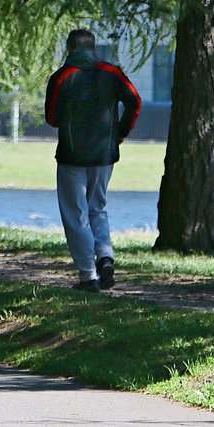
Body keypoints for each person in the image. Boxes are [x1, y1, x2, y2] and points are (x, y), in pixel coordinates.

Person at [44, 29, 141, 292]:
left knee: (75, 214)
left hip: (72, 156)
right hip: (104, 155)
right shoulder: (112, 72)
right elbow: (135, 100)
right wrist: (120, 132)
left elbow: (52, 118)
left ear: (69, 48)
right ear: (93, 47)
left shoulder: (62, 77)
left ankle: (88, 275)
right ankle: (106, 257)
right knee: (97, 206)